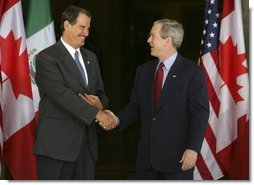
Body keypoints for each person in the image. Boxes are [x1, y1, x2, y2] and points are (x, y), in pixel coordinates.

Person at [110, 19, 209, 180]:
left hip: (178, 159)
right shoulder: (143, 71)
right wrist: (115, 120)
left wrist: (193, 148)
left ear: (167, 40)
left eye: (153, 36)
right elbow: (135, 107)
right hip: (146, 160)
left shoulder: (192, 73)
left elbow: (200, 114)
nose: (148, 40)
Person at [34, 6, 116, 180]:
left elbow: (101, 93)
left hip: (86, 148)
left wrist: (101, 104)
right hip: (56, 147)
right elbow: (61, 94)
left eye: (88, 28)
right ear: (67, 25)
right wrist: (98, 114)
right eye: (82, 27)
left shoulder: (91, 57)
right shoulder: (46, 58)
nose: (86, 32)